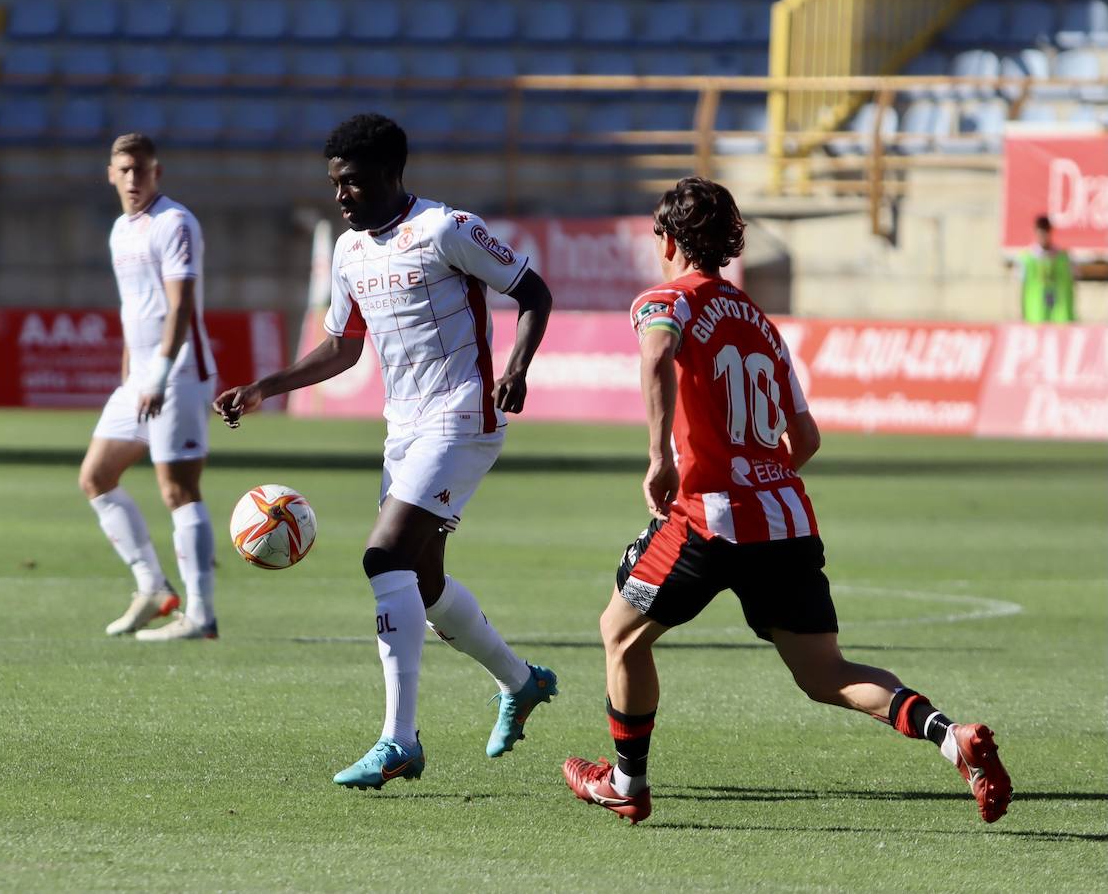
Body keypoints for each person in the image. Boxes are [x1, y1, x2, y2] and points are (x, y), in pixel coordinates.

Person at [563, 177, 1012, 825]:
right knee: (824, 672)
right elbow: (805, 438)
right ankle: (953, 738)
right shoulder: (758, 324)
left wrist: (661, 456)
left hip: (708, 517)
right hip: (785, 518)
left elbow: (657, 352)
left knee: (621, 634)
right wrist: (760, 476)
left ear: (667, 242)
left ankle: (627, 783)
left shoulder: (665, 300)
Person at [214, 113, 558, 789]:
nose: (342, 195)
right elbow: (344, 346)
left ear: (392, 176)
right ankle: (521, 683)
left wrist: (516, 368)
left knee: (383, 556)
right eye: (336, 184)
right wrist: (265, 387)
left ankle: (398, 741)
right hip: (403, 429)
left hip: (462, 414)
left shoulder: (445, 230)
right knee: (423, 585)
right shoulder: (349, 252)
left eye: (354, 182)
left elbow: (533, 291)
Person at [78, 133, 219, 641]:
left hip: (177, 372)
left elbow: (179, 306)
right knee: (97, 476)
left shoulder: (174, 223)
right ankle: (153, 588)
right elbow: (134, 308)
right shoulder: (121, 230)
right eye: (125, 170)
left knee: (177, 489)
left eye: (142, 170)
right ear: (111, 174)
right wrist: (129, 373)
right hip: (140, 376)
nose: (134, 179)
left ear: (156, 173)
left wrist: (158, 373)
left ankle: (201, 615)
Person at [1019, 215, 1076, 324]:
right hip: (1035, 315)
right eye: (1040, 233)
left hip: (1061, 316)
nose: (1043, 236)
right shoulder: (1027, 258)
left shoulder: (1063, 257)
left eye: (1045, 232)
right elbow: (1022, 286)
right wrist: (1022, 313)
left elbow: (1072, 285)